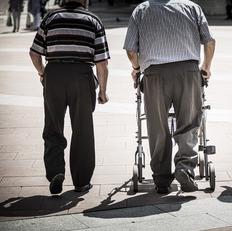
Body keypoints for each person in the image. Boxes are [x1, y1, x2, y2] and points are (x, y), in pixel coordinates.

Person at [124, 0, 215, 194]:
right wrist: (206, 66)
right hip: (188, 72)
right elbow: (209, 40)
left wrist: (137, 68)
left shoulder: (141, 10)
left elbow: (131, 50)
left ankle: (162, 178)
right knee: (189, 122)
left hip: (155, 75)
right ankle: (185, 168)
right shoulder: (191, 7)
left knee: (157, 126)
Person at [29, 0, 110, 195]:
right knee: (82, 129)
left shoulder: (50, 18)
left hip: (54, 73)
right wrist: (102, 91)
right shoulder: (93, 20)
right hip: (82, 76)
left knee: (53, 126)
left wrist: (42, 73)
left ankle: (56, 172)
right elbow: (102, 62)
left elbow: (34, 53)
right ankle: (81, 181)